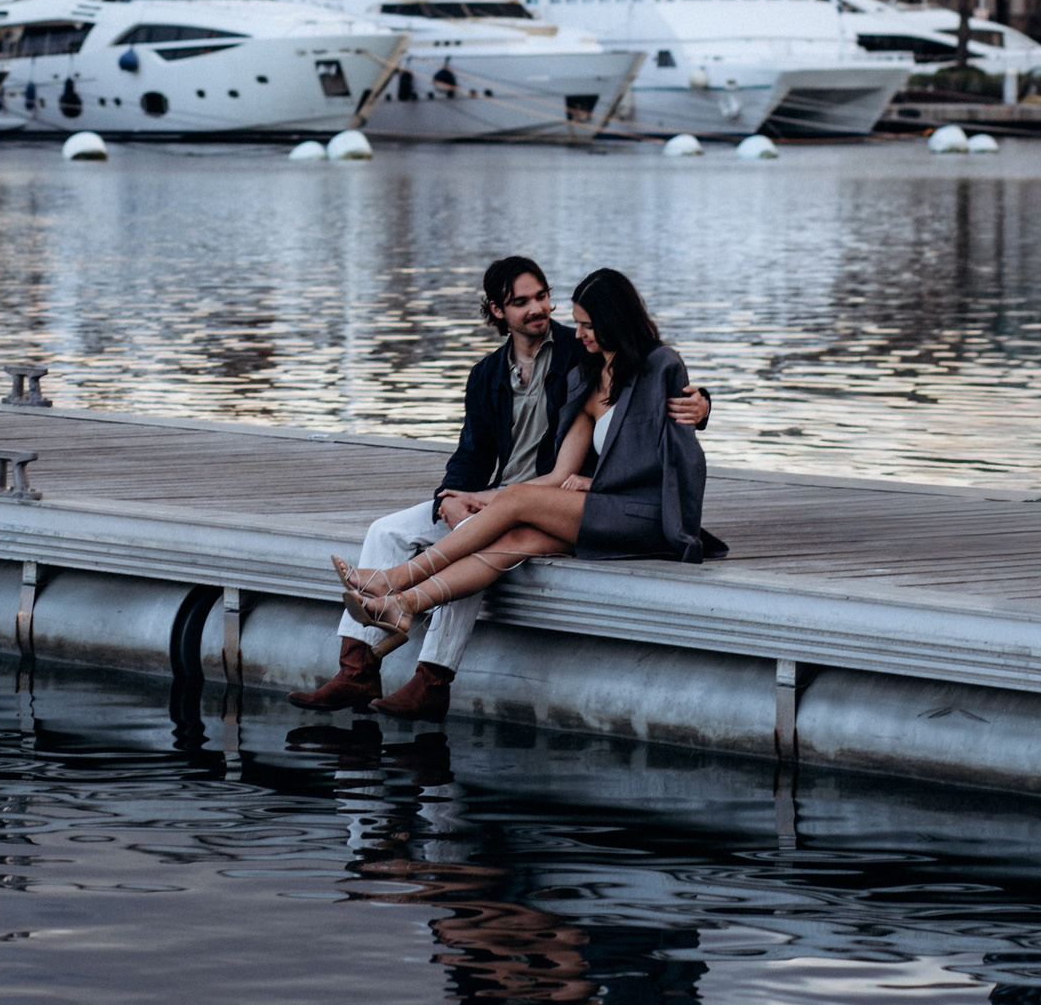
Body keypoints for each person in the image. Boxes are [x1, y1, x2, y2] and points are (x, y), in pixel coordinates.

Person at [288, 257, 709, 720]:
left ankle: (417, 643)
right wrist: (452, 495)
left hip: (584, 503)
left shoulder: (580, 355)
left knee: (487, 525)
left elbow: (668, 413)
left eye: (543, 297)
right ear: (496, 310)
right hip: (517, 496)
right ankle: (360, 665)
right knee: (388, 531)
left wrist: (703, 404)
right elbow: (472, 452)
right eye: (523, 302)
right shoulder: (500, 374)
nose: (541, 310)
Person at [334, 267, 725, 641]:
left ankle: (396, 578)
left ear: (615, 321)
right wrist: (466, 496)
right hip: (605, 513)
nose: (580, 334)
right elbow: (557, 477)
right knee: (519, 537)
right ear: (497, 310)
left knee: (518, 497)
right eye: (578, 323)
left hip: (650, 515)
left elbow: (680, 457)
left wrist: (702, 407)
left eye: (588, 325)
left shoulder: (661, 366)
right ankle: (403, 604)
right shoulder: (585, 379)